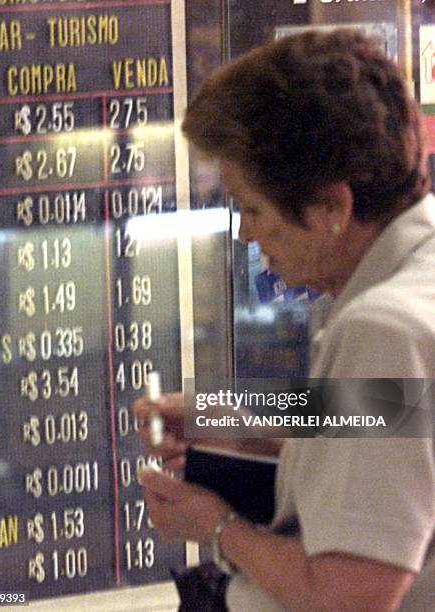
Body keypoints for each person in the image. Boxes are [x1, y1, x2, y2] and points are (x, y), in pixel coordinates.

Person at [134, 30, 435, 611]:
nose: (246, 233)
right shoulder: (414, 283)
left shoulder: (383, 327)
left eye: (252, 208)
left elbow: (350, 597)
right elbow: (388, 417)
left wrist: (217, 528)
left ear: (332, 208)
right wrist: (226, 417)